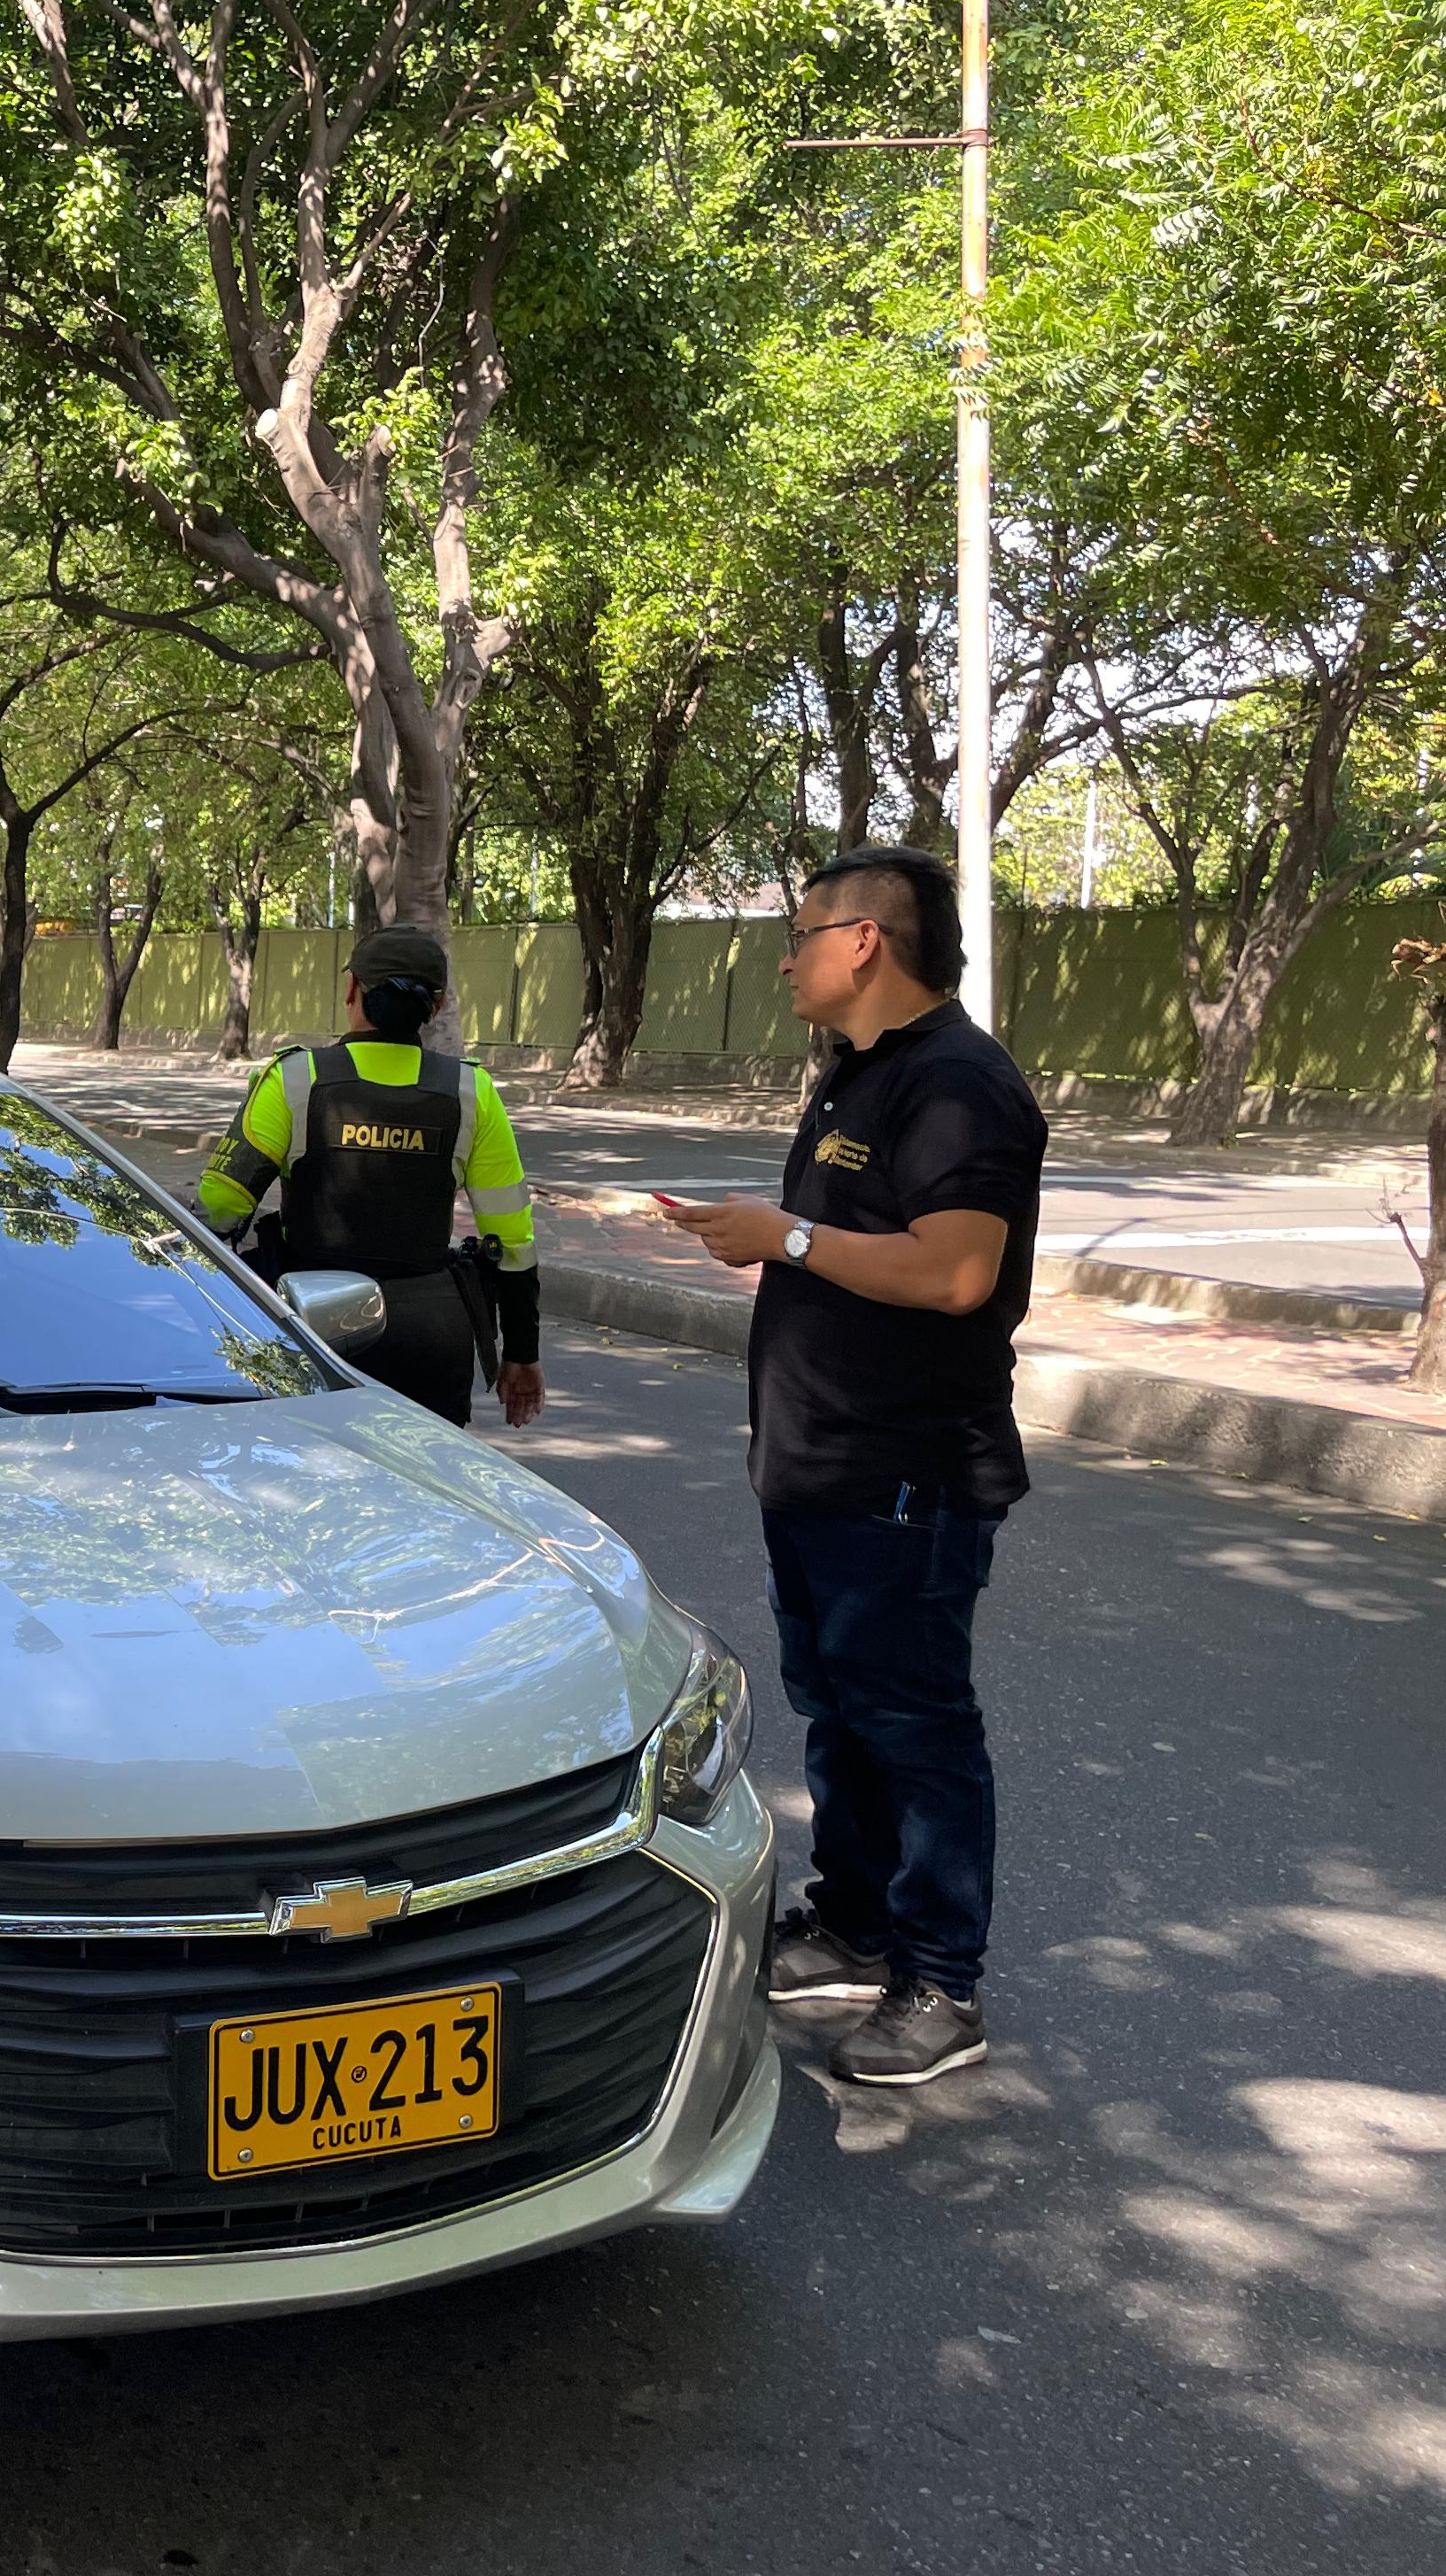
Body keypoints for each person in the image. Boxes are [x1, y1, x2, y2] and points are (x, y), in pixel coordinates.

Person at [662, 843, 1045, 2091]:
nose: (786, 954)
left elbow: (954, 1271)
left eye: (803, 930)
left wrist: (788, 1235)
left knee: (917, 1725)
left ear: (866, 941)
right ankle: (856, 1924)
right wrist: (767, 1238)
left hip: (906, 1475)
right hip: (820, 1465)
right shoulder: (857, 1077)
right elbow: (840, 1248)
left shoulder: (958, 1087)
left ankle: (943, 1979)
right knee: (843, 1709)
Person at [195, 925, 545, 1430]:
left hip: (309, 1329)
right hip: (430, 1340)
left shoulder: (296, 1077)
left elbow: (221, 1209)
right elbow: (512, 1241)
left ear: (351, 990)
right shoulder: (472, 1091)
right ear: (440, 1004)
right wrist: (522, 1354)